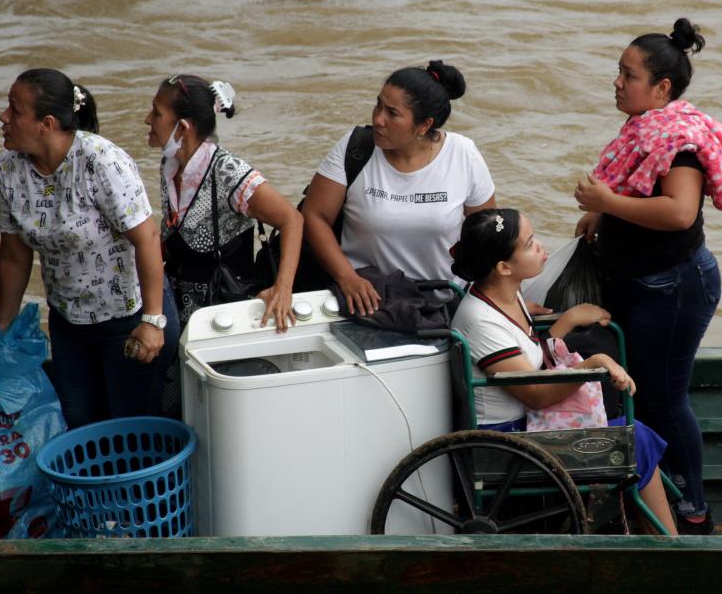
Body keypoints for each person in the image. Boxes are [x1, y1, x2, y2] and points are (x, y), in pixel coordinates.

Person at [572, 18, 722, 534]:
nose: (617, 82)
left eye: (628, 75)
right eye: (618, 72)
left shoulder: (680, 139)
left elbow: (678, 213)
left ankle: (691, 509)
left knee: (663, 399)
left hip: (673, 286)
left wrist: (608, 201)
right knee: (645, 394)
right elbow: (640, 189)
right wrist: (605, 213)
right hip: (645, 283)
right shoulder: (645, 128)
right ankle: (653, 497)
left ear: (662, 88)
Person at [450, 208, 677, 535]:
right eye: (529, 244)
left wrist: (567, 321)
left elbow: (532, 357)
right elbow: (537, 394)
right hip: (508, 441)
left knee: (629, 428)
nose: (541, 247)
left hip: (529, 423)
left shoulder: (506, 293)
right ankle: (670, 546)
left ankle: (660, 538)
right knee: (634, 439)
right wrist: (590, 365)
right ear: (503, 267)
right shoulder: (482, 321)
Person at [0, 68, 178, 429]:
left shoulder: (101, 162)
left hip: (129, 320)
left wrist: (153, 321)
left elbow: (147, 238)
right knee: (79, 426)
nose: (4, 117)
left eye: (14, 110)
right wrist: (2, 331)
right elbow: (14, 256)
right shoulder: (6, 172)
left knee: (129, 434)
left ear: (46, 123)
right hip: (69, 323)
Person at [303, 60, 496, 316]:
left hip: (444, 304)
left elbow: (489, 240)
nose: (378, 119)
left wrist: (503, 302)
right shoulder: (356, 148)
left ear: (424, 125)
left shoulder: (463, 154)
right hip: (366, 302)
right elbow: (315, 216)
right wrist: (347, 277)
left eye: (392, 113)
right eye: (378, 105)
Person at [145, 74, 303, 330]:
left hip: (222, 320)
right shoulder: (169, 163)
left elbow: (292, 219)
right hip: (175, 310)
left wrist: (283, 289)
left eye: (156, 113)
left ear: (183, 127)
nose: (148, 120)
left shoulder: (228, 173)